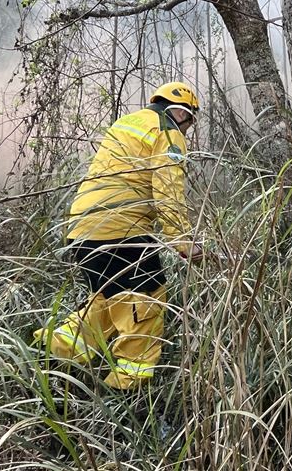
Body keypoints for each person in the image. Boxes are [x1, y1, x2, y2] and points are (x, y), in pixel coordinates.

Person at [34, 81, 202, 389]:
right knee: (147, 302)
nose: (188, 130)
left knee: (109, 300)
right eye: (190, 122)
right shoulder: (168, 131)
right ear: (181, 112)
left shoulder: (128, 122)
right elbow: (168, 190)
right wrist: (182, 240)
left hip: (82, 227)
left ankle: (52, 358)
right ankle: (129, 391)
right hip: (120, 230)